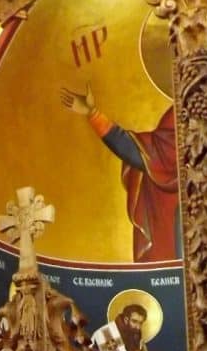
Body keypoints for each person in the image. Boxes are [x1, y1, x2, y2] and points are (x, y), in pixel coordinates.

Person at [60, 84, 180, 263]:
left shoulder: (194, 112)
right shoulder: (180, 115)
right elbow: (150, 155)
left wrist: (94, 115)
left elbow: (150, 155)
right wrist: (94, 115)